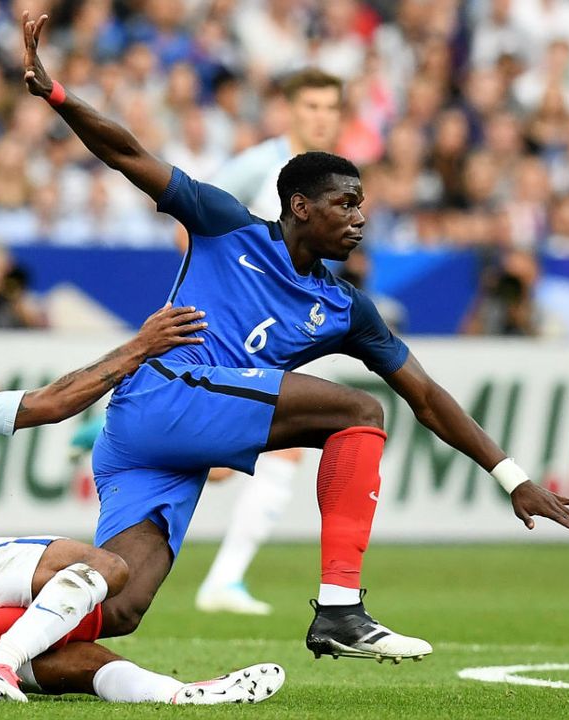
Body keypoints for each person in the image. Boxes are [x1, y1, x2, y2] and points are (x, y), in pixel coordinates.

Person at [22, 11, 569, 663]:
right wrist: (56, 93)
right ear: (300, 207)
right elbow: (128, 154)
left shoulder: (345, 309)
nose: (360, 217)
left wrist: (510, 475)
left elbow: (427, 399)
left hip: (167, 442)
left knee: (117, 609)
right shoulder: (226, 225)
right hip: (161, 394)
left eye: (362, 203)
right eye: (345, 203)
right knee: (358, 412)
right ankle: (341, 612)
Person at [0, 320, 284, 703]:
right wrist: (140, 347)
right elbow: (54, 403)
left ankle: (178, 694)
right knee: (108, 569)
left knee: (80, 659)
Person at [194, 67, 345, 616]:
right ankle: (222, 582)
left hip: (277, 333)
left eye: (330, 107)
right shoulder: (259, 164)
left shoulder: (333, 176)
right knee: (237, 455)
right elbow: (190, 215)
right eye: (311, 107)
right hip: (231, 328)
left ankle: (224, 581)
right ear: (288, 111)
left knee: (275, 449)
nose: (321, 117)